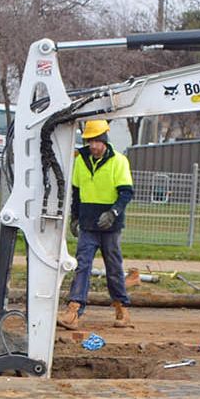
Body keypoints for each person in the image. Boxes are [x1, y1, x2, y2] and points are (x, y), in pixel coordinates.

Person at [57, 119, 135, 331]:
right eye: (90, 141)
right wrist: (75, 216)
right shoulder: (81, 161)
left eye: (97, 141)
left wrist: (113, 212)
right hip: (88, 224)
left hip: (111, 225)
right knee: (82, 265)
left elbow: (126, 192)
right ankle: (73, 310)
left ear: (105, 140)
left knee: (114, 267)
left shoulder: (119, 161)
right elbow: (76, 192)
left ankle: (121, 308)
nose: (93, 146)